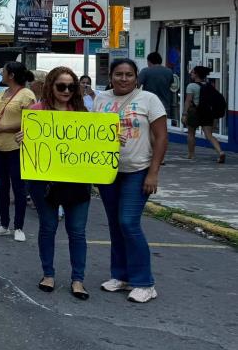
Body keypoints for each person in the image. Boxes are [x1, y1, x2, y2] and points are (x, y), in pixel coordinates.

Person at [92, 58, 167, 303]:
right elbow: (91, 134)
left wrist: (153, 172)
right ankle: (121, 276)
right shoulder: (101, 100)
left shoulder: (149, 100)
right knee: (115, 225)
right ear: (110, 76)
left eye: (129, 74)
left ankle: (145, 282)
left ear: (136, 77)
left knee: (128, 223)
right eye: (118, 74)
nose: (124, 79)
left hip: (138, 171)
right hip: (108, 172)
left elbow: (161, 137)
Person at [17, 67, 92, 300]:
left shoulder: (83, 113)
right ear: (51, 86)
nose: (67, 90)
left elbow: (92, 145)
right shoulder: (36, 111)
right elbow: (29, 145)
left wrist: (111, 140)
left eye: (72, 86)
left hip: (77, 181)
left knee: (77, 232)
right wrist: (22, 138)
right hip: (44, 182)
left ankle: (78, 279)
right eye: (62, 86)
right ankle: (48, 274)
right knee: (48, 227)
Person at [0, 61, 36, 241]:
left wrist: (3, 128)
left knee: (19, 188)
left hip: (16, 147)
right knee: (2, 187)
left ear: (11, 75)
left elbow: (30, 122)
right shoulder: (0, 95)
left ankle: (18, 227)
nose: (2, 74)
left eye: (4, 71)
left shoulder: (27, 95)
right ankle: (3, 224)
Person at [184, 66, 225, 163]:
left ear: (197, 74)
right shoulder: (208, 85)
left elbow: (188, 101)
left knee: (191, 133)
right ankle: (220, 152)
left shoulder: (191, 86)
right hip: (207, 113)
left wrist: (185, 113)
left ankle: (191, 154)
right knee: (209, 135)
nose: (191, 74)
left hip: (195, 112)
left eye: (193, 72)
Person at [139, 52, 175, 120]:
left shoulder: (145, 71)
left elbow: (136, 86)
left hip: (149, 105)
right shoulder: (169, 71)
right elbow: (171, 86)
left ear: (149, 61)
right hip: (164, 105)